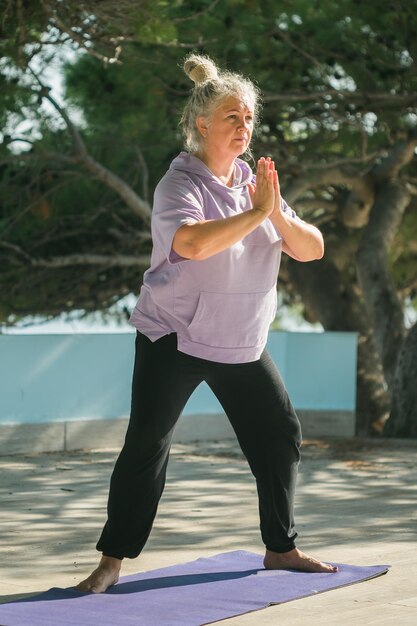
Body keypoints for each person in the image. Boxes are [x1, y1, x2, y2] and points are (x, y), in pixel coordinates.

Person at [77, 54, 337, 594]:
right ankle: (111, 562)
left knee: (278, 435)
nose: (244, 128)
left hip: (240, 340)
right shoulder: (180, 184)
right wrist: (257, 215)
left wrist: (277, 212)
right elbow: (192, 244)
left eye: (248, 118)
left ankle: (281, 548)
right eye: (231, 118)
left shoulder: (254, 182)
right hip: (175, 334)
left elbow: (311, 250)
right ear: (201, 123)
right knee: (148, 443)